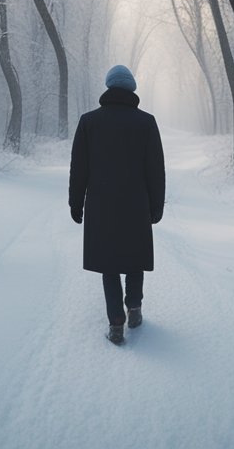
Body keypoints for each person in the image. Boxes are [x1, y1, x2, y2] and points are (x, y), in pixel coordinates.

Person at [69, 65, 166, 345]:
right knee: (134, 258)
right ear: (131, 90)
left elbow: (80, 168)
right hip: (137, 204)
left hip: (101, 206)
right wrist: (156, 206)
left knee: (109, 264)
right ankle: (134, 309)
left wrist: (76, 203)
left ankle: (115, 323)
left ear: (108, 87)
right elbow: (155, 170)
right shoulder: (146, 122)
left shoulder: (89, 122)